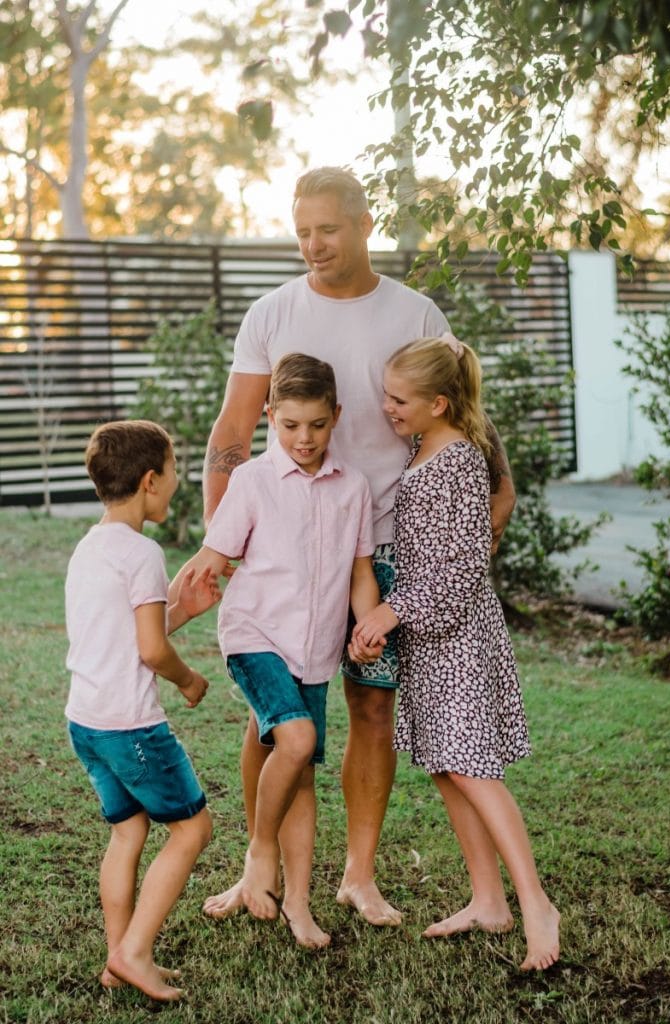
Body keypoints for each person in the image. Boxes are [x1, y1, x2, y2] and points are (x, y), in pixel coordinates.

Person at [202, 166, 516, 927]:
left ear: (364, 223)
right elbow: (232, 433)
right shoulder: (270, 313)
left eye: (327, 229)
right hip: (288, 553)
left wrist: (497, 495)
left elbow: (462, 413)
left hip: (382, 551)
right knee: (272, 719)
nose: (312, 244)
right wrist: (226, 542)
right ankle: (262, 866)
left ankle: (358, 875)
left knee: (372, 713)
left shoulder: (412, 309)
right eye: (301, 230)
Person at [350, 336, 560, 971]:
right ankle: (488, 900)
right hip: (430, 640)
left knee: (474, 771)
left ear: (439, 403)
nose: (387, 407)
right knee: (446, 766)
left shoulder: (459, 463)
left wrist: (389, 612)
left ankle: (536, 905)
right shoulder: (426, 445)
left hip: (457, 638)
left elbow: (462, 567)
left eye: (398, 399)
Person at [171, 353, 382, 947]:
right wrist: (159, 620)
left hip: (314, 649)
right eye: (290, 426)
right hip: (254, 636)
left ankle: (298, 903)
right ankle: (260, 854)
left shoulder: (354, 488)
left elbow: (361, 572)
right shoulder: (253, 481)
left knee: (300, 775)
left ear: (336, 416)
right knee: (298, 739)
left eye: (317, 425)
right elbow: (211, 562)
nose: (304, 438)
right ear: (269, 417)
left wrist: (366, 627)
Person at [64, 420, 219, 1002]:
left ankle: (117, 958)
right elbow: (151, 651)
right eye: (175, 470)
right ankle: (133, 952)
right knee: (192, 830)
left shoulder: (90, 546)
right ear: (151, 480)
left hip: (87, 720)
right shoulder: (143, 552)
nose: (177, 482)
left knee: (128, 832)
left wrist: (183, 609)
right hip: (131, 724)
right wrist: (190, 679)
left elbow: (127, 635)